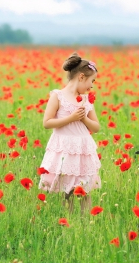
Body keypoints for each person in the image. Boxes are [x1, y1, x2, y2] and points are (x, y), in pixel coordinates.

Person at [38, 52, 101, 214]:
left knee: (84, 189)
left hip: (82, 148)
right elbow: (47, 123)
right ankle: (69, 221)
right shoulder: (57, 96)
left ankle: (86, 223)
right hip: (65, 148)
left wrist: (84, 120)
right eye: (91, 81)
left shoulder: (87, 100)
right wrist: (71, 118)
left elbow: (96, 127)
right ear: (81, 77)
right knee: (67, 190)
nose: (92, 86)